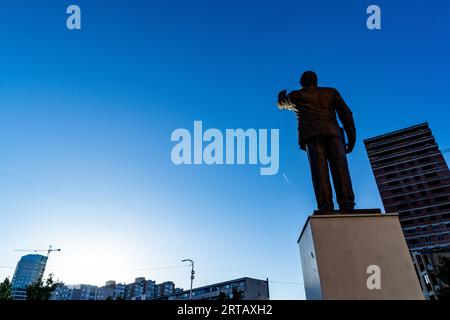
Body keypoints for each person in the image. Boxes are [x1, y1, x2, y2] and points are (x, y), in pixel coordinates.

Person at [278, 71, 356, 211]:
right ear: (316, 81)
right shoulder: (331, 92)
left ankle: (325, 207)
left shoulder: (297, 95)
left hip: (312, 135)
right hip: (333, 133)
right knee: (341, 168)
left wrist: (281, 97)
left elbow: (281, 104)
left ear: (302, 83)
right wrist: (351, 138)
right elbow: (346, 114)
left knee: (319, 172)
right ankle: (347, 204)